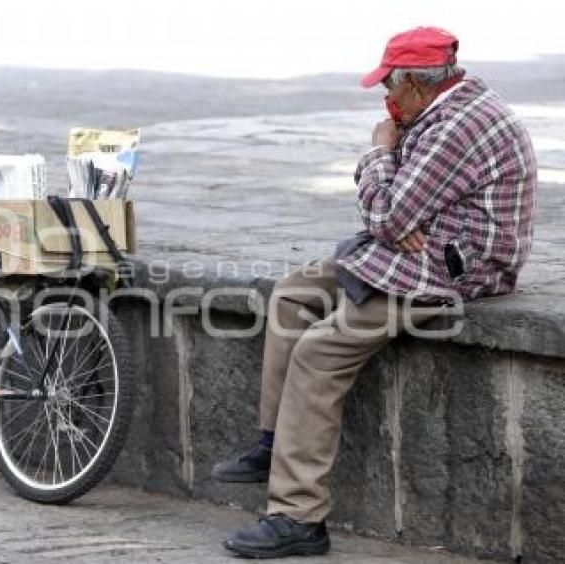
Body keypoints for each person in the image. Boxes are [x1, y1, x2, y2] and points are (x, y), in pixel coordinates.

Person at [215, 26, 536, 559]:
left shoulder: (457, 126)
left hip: (451, 267)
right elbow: (391, 216)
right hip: (415, 249)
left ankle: (297, 516)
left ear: (416, 80)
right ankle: (272, 445)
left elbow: (387, 215)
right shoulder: (440, 108)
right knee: (294, 294)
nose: (385, 98)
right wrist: (395, 208)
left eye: (390, 84)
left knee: (320, 349)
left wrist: (378, 153)